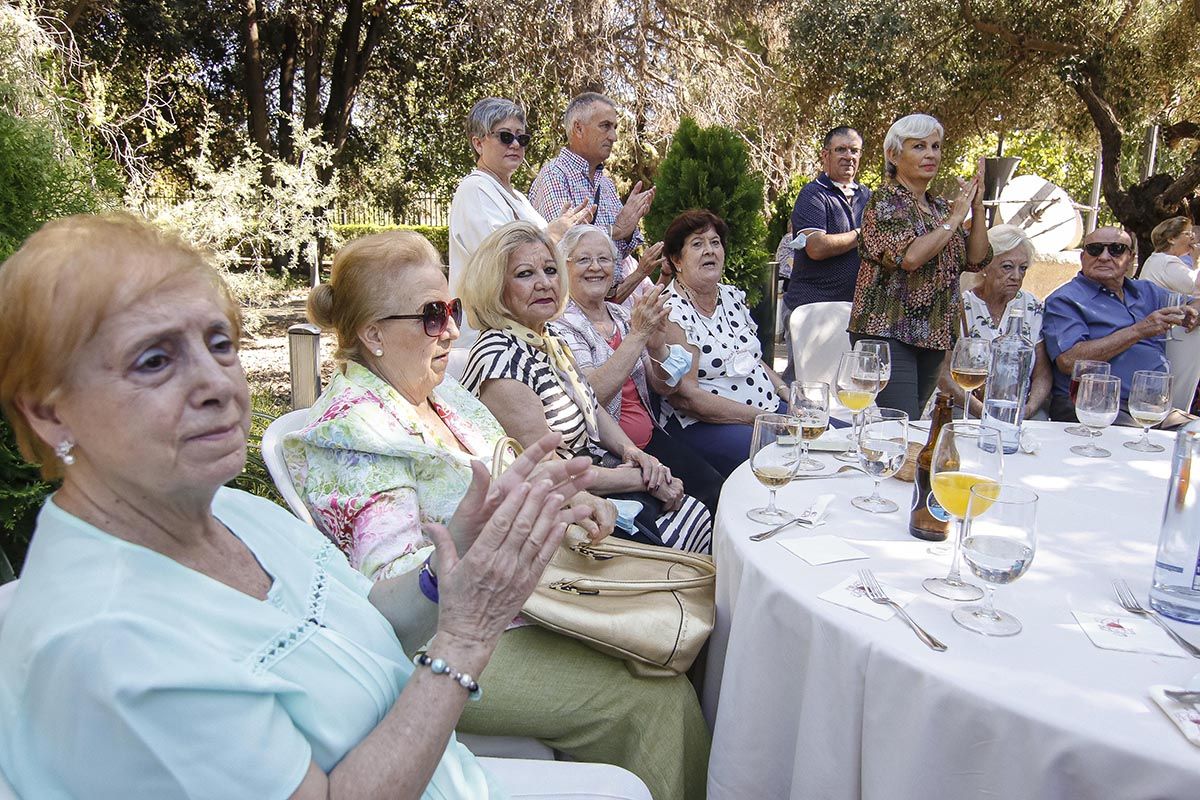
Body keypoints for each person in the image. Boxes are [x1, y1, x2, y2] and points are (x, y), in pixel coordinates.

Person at [0, 214, 655, 800]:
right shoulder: (107, 641)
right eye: (153, 360)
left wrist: (448, 561)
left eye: (219, 342)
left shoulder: (228, 513)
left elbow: (367, 617)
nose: (217, 385)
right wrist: (464, 639)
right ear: (48, 409)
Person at [283, 230, 710, 800]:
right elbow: (391, 600)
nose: (453, 330)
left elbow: (513, 472)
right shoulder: (352, 432)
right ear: (372, 334)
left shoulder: (441, 395)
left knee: (683, 633)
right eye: (433, 316)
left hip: (524, 594)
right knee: (654, 696)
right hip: (439, 644)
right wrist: (468, 551)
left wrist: (566, 497)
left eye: (452, 309)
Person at [460, 221, 713, 555]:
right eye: (524, 274)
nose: (544, 283)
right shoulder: (500, 356)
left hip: (601, 469)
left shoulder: (545, 338)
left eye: (550, 271)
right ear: (495, 286)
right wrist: (641, 478)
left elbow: (590, 404)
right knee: (692, 529)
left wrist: (633, 453)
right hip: (563, 510)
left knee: (703, 513)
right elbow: (547, 470)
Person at [551, 224, 725, 512]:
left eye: (604, 259)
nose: (596, 267)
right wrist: (638, 336)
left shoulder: (620, 314)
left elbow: (664, 387)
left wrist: (657, 346)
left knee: (716, 491)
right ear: (563, 267)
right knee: (685, 510)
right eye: (583, 260)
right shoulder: (560, 325)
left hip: (650, 439)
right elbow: (590, 398)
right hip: (608, 454)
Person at [849, 113, 991, 419]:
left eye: (936, 146)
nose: (931, 154)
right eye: (919, 147)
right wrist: (955, 219)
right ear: (893, 154)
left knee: (908, 425)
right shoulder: (884, 202)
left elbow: (977, 258)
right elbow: (910, 258)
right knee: (902, 421)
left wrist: (977, 207)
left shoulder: (938, 206)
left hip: (933, 334)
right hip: (886, 332)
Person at [449, 97, 592, 347]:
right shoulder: (475, 189)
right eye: (505, 136)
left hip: (523, 330)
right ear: (478, 143)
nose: (515, 144)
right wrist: (552, 236)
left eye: (521, 138)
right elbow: (500, 262)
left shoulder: (518, 198)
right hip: (490, 337)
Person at [656, 210, 789, 478]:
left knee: (832, 434)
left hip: (766, 411)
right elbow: (686, 396)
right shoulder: (673, 311)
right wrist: (758, 419)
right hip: (705, 425)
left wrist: (789, 394)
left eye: (715, 243)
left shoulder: (730, 296)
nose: (709, 251)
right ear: (676, 260)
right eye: (697, 244)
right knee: (785, 458)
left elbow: (751, 359)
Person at [1043, 226, 1200, 422]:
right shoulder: (1066, 299)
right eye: (1095, 249)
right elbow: (1068, 361)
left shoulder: (1147, 292)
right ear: (1083, 257)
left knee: (1193, 438)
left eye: (1116, 249)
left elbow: (1193, 304)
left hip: (1152, 407)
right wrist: (1138, 331)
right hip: (1094, 406)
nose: (1104, 257)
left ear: (1130, 259)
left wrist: (1191, 312)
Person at [529, 92, 657, 305]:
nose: (613, 137)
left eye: (615, 127)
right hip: (571, 311)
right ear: (578, 128)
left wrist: (627, 232)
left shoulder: (605, 184)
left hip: (607, 305)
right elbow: (563, 247)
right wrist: (615, 230)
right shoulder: (555, 176)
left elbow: (620, 254)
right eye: (605, 126)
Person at [936, 224, 1052, 419]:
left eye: (1022, 268)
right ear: (985, 266)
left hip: (1020, 410)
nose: (1016, 276)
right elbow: (943, 374)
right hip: (967, 406)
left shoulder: (1032, 306)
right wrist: (983, 412)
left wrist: (1029, 409)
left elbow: (1043, 373)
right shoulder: (959, 306)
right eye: (1007, 267)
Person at [1140, 216, 1200, 410]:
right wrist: (1197, 256)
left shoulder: (1161, 261)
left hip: (1167, 332)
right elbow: (1194, 286)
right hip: (1174, 334)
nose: (1192, 237)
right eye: (1187, 233)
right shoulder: (1167, 263)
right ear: (1172, 239)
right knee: (1176, 388)